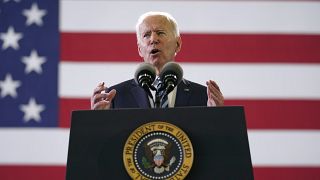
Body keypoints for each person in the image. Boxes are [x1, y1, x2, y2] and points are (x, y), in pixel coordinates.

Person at [91, 11, 224, 110]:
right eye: (146, 35)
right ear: (139, 49)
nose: (153, 39)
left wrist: (217, 118)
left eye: (160, 33)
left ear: (178, 44)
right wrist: (99, 121)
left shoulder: (203, 97)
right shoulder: (116, 97)